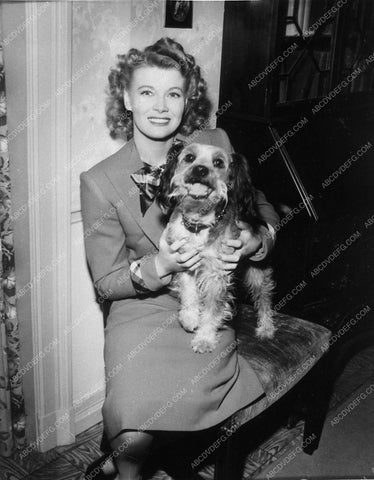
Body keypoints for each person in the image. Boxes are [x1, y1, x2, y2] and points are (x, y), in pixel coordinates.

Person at [81, 37, 279, 480]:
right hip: (142, 308)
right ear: (126, 98)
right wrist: (163, 265)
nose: (160, 106)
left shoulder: (212, 144)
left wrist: (252, 240)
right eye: (146, 92)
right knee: (133, 433)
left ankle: (141, 446)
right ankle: (127, 454)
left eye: (173, 93)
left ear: (187, 99)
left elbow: (261, 205)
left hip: (209, 302)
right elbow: (106, 283)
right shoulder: (99, 181)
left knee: (169, 413)